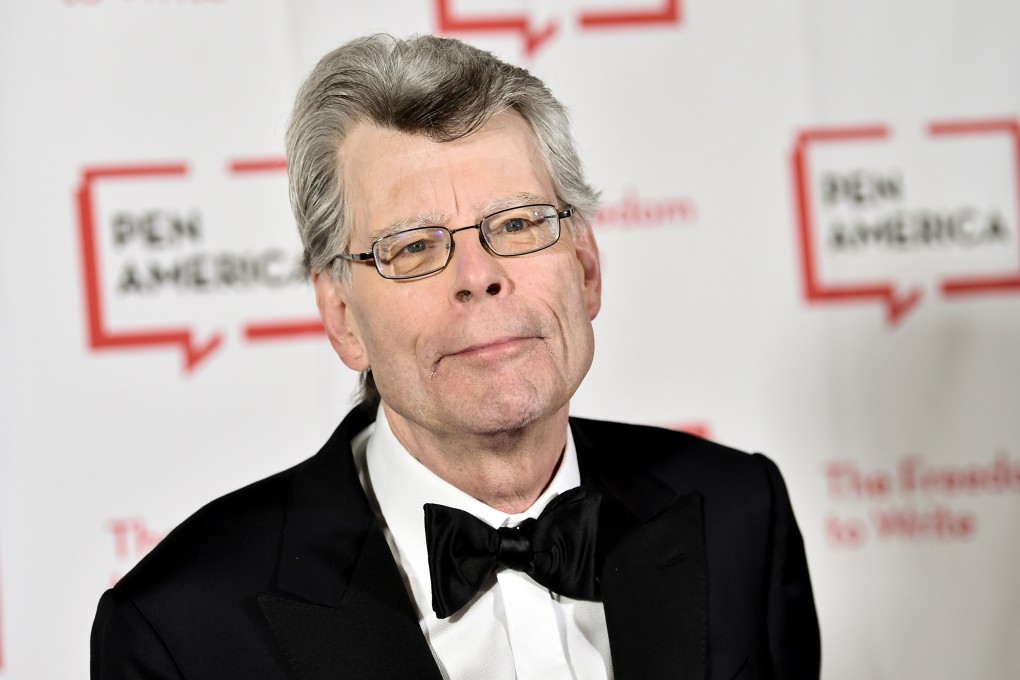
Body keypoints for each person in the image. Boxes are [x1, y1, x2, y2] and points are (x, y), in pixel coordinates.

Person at [91, 34, 820, 680]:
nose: (478, 275)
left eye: (518, 223)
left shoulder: (737, 513)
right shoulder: (180, 631)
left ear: (587, 266)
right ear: (342, 317)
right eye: (413, 247)